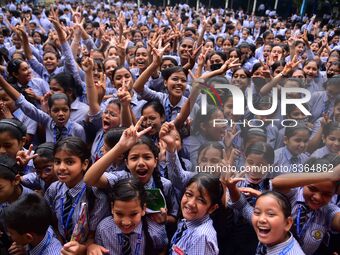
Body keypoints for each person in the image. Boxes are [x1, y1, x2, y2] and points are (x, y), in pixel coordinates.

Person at [44, 137, 109, 252]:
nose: (62, 167)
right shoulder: (53, 189)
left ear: (84, 164)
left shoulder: (96, 195)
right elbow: (52, 222)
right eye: (57, 162)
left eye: (69, 162)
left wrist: (82, 249)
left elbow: (93, 236)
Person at [271, 157, 340, 254]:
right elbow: (276, 182)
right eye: (312, 189)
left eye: (326, 194)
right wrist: (330, 175)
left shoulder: (328, 212)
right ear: (303, 182)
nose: (318, 197)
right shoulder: (291, 196)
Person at [87, 178, 168, 255]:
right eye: (119, 214)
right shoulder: (103, 229)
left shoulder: (155, 232)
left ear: (143, 209)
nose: (126, 222)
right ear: (112, 208)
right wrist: (92, 247)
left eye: (133, 214)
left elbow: (163, 250)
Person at [169, 173, 221, 255]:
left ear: (212, 208)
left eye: (201, 200)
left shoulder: (201, 237)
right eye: (189, 194)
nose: (191, 203)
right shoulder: (187, 222)